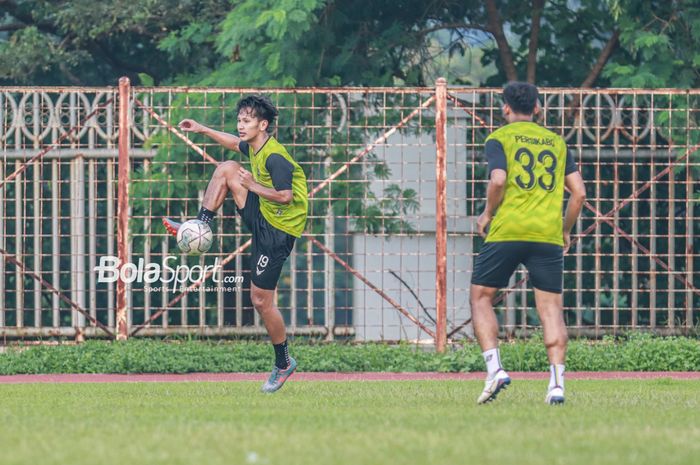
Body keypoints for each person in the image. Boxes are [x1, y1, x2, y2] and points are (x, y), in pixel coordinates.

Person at [163, 95, 308, 393]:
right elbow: (232, 144)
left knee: (260, 301)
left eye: (247, 121)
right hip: (265, 215)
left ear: (263, 125)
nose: (240, 126)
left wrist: (253, 185)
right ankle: (200, 225)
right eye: (239, 120)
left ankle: (283, 363)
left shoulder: (274, 157)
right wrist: (202, 129)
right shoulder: (256, 146)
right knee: (228, 167)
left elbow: (285, 196)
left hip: (279, 231)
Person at [470, 82, 586, 405]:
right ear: (537, 108)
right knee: (551, 310)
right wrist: (565, 230)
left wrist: (487, 213)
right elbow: (579, 193)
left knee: (481, 297)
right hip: (546, 236)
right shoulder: (557, 143)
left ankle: (495, 370)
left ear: (505, 108)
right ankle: (557, 384)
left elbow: (499, 179)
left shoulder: (499, 139)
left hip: (507, 231)